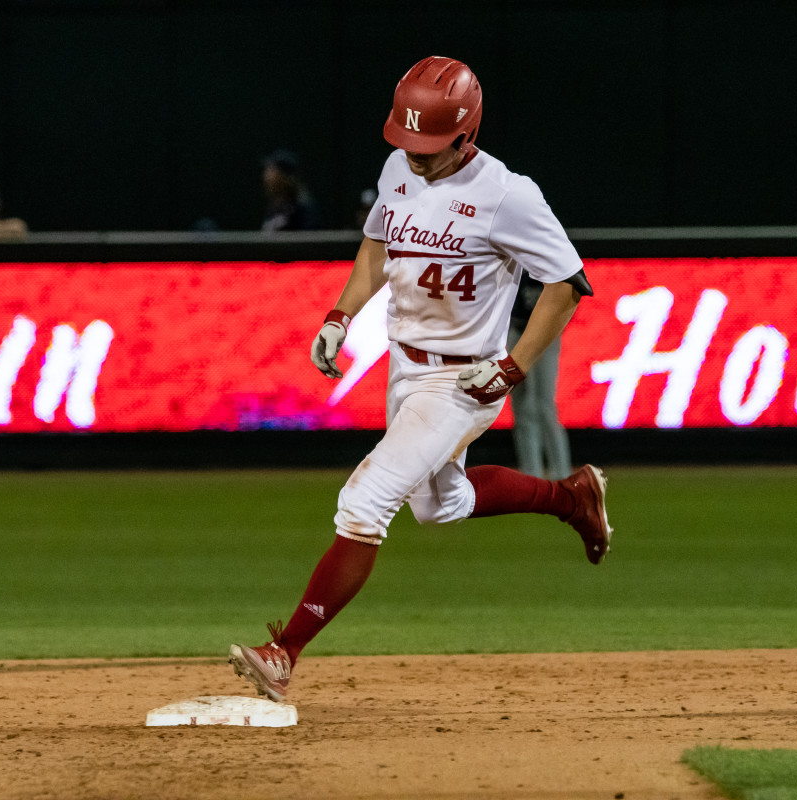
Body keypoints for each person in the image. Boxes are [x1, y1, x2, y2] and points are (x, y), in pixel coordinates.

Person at [229, 56, 611, 703]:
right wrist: (340, 314)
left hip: (462, 381)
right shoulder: (398, 168)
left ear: (467, 134)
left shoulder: (508, 195)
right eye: (406, 141)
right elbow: (378, 245)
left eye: (430, 145)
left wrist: (513, 366)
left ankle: (284, 651)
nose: (415, 155)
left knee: (365, 501)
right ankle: (573, 498)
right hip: (406, 367)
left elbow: (569, 286)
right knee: (442, 504)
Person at [508, 275, 573, 479]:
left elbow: (571, 294)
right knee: (522, 407)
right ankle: (530, 474)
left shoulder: (548, 259)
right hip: (515, 330)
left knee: (545, 406)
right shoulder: (511, 257)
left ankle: (561, 473)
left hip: (545, 332)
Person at [261, 150, 319, 232]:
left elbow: (308, 241)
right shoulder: (274, 208)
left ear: (285, 177)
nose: (266, 177)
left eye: (272, 171)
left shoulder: (303, 209)